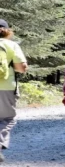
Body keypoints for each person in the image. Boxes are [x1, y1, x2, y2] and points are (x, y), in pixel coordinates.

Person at [0, 19, 28, 162]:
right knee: (7, 118)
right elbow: (21, 68)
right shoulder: (11, 45)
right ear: (7, 30)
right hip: (6, 87)